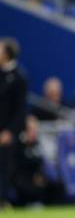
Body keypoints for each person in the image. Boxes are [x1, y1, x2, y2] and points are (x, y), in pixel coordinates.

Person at [0, 38, 28, 208]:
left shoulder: (19, 76)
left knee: (5, 165)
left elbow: (20, 108)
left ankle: (2, 199)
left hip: (7, 131)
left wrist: (10, 131)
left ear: (7, 54)